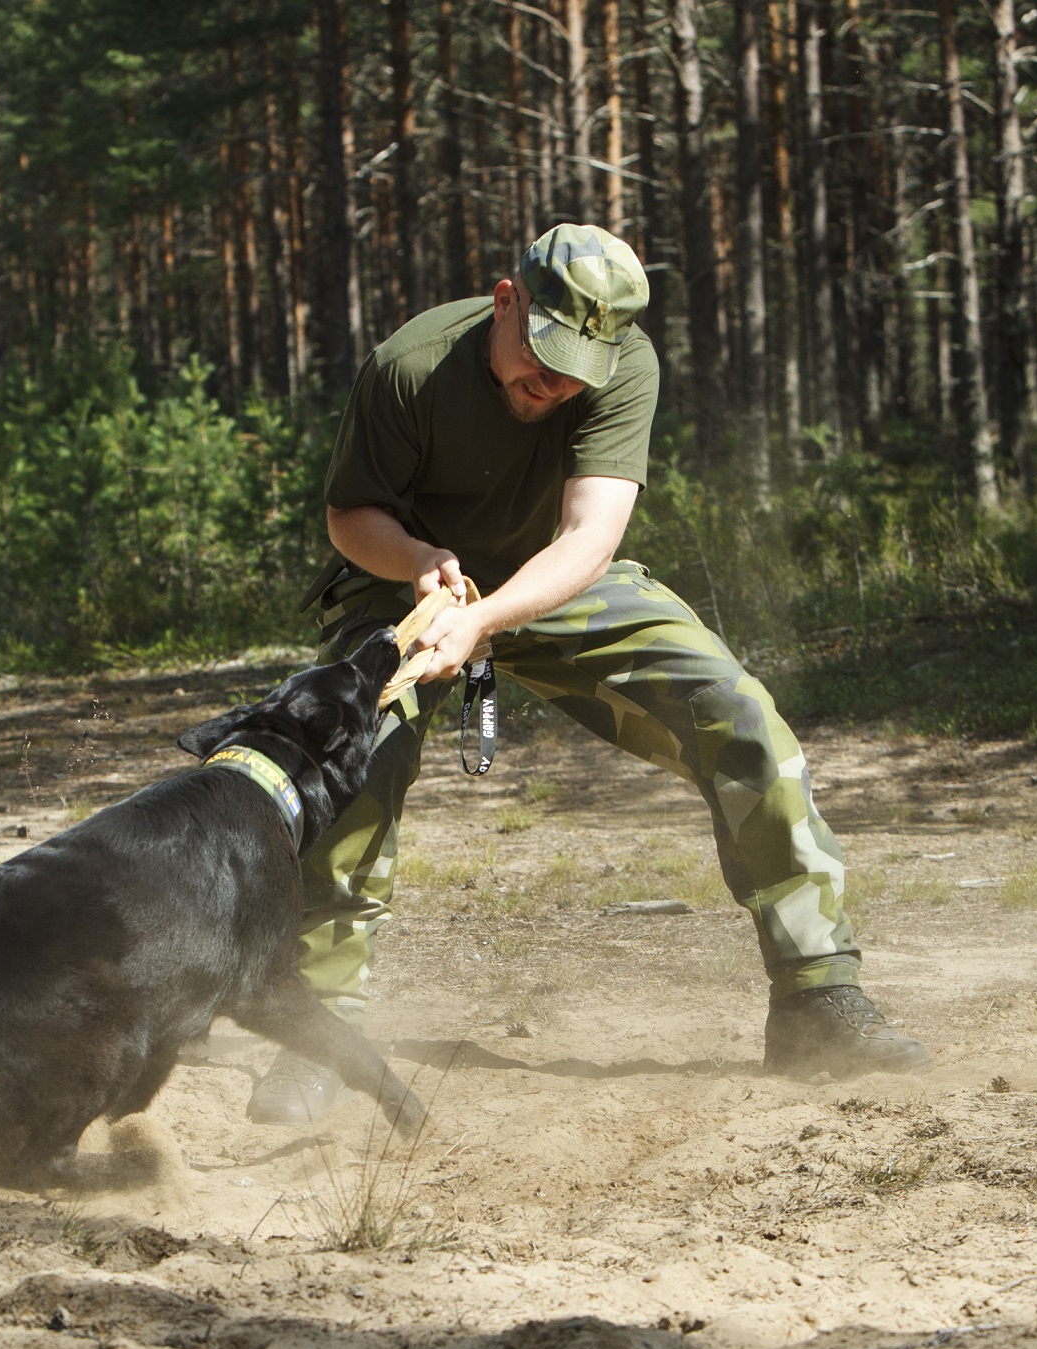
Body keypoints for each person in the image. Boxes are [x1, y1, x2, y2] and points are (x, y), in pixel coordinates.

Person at [246, 224, 931, 1128]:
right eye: (540, 355)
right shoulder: (408, 366)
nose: (553, 384)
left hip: (552, 576)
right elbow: (350, 515)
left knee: (735, 711)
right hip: (405, 587)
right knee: (358, 757)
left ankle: (816, 998)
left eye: (577, 367)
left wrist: (486, 619)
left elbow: (589, 537)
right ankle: (321, 1037)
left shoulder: (626, 366)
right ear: (505, 300)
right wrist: (420, 566)